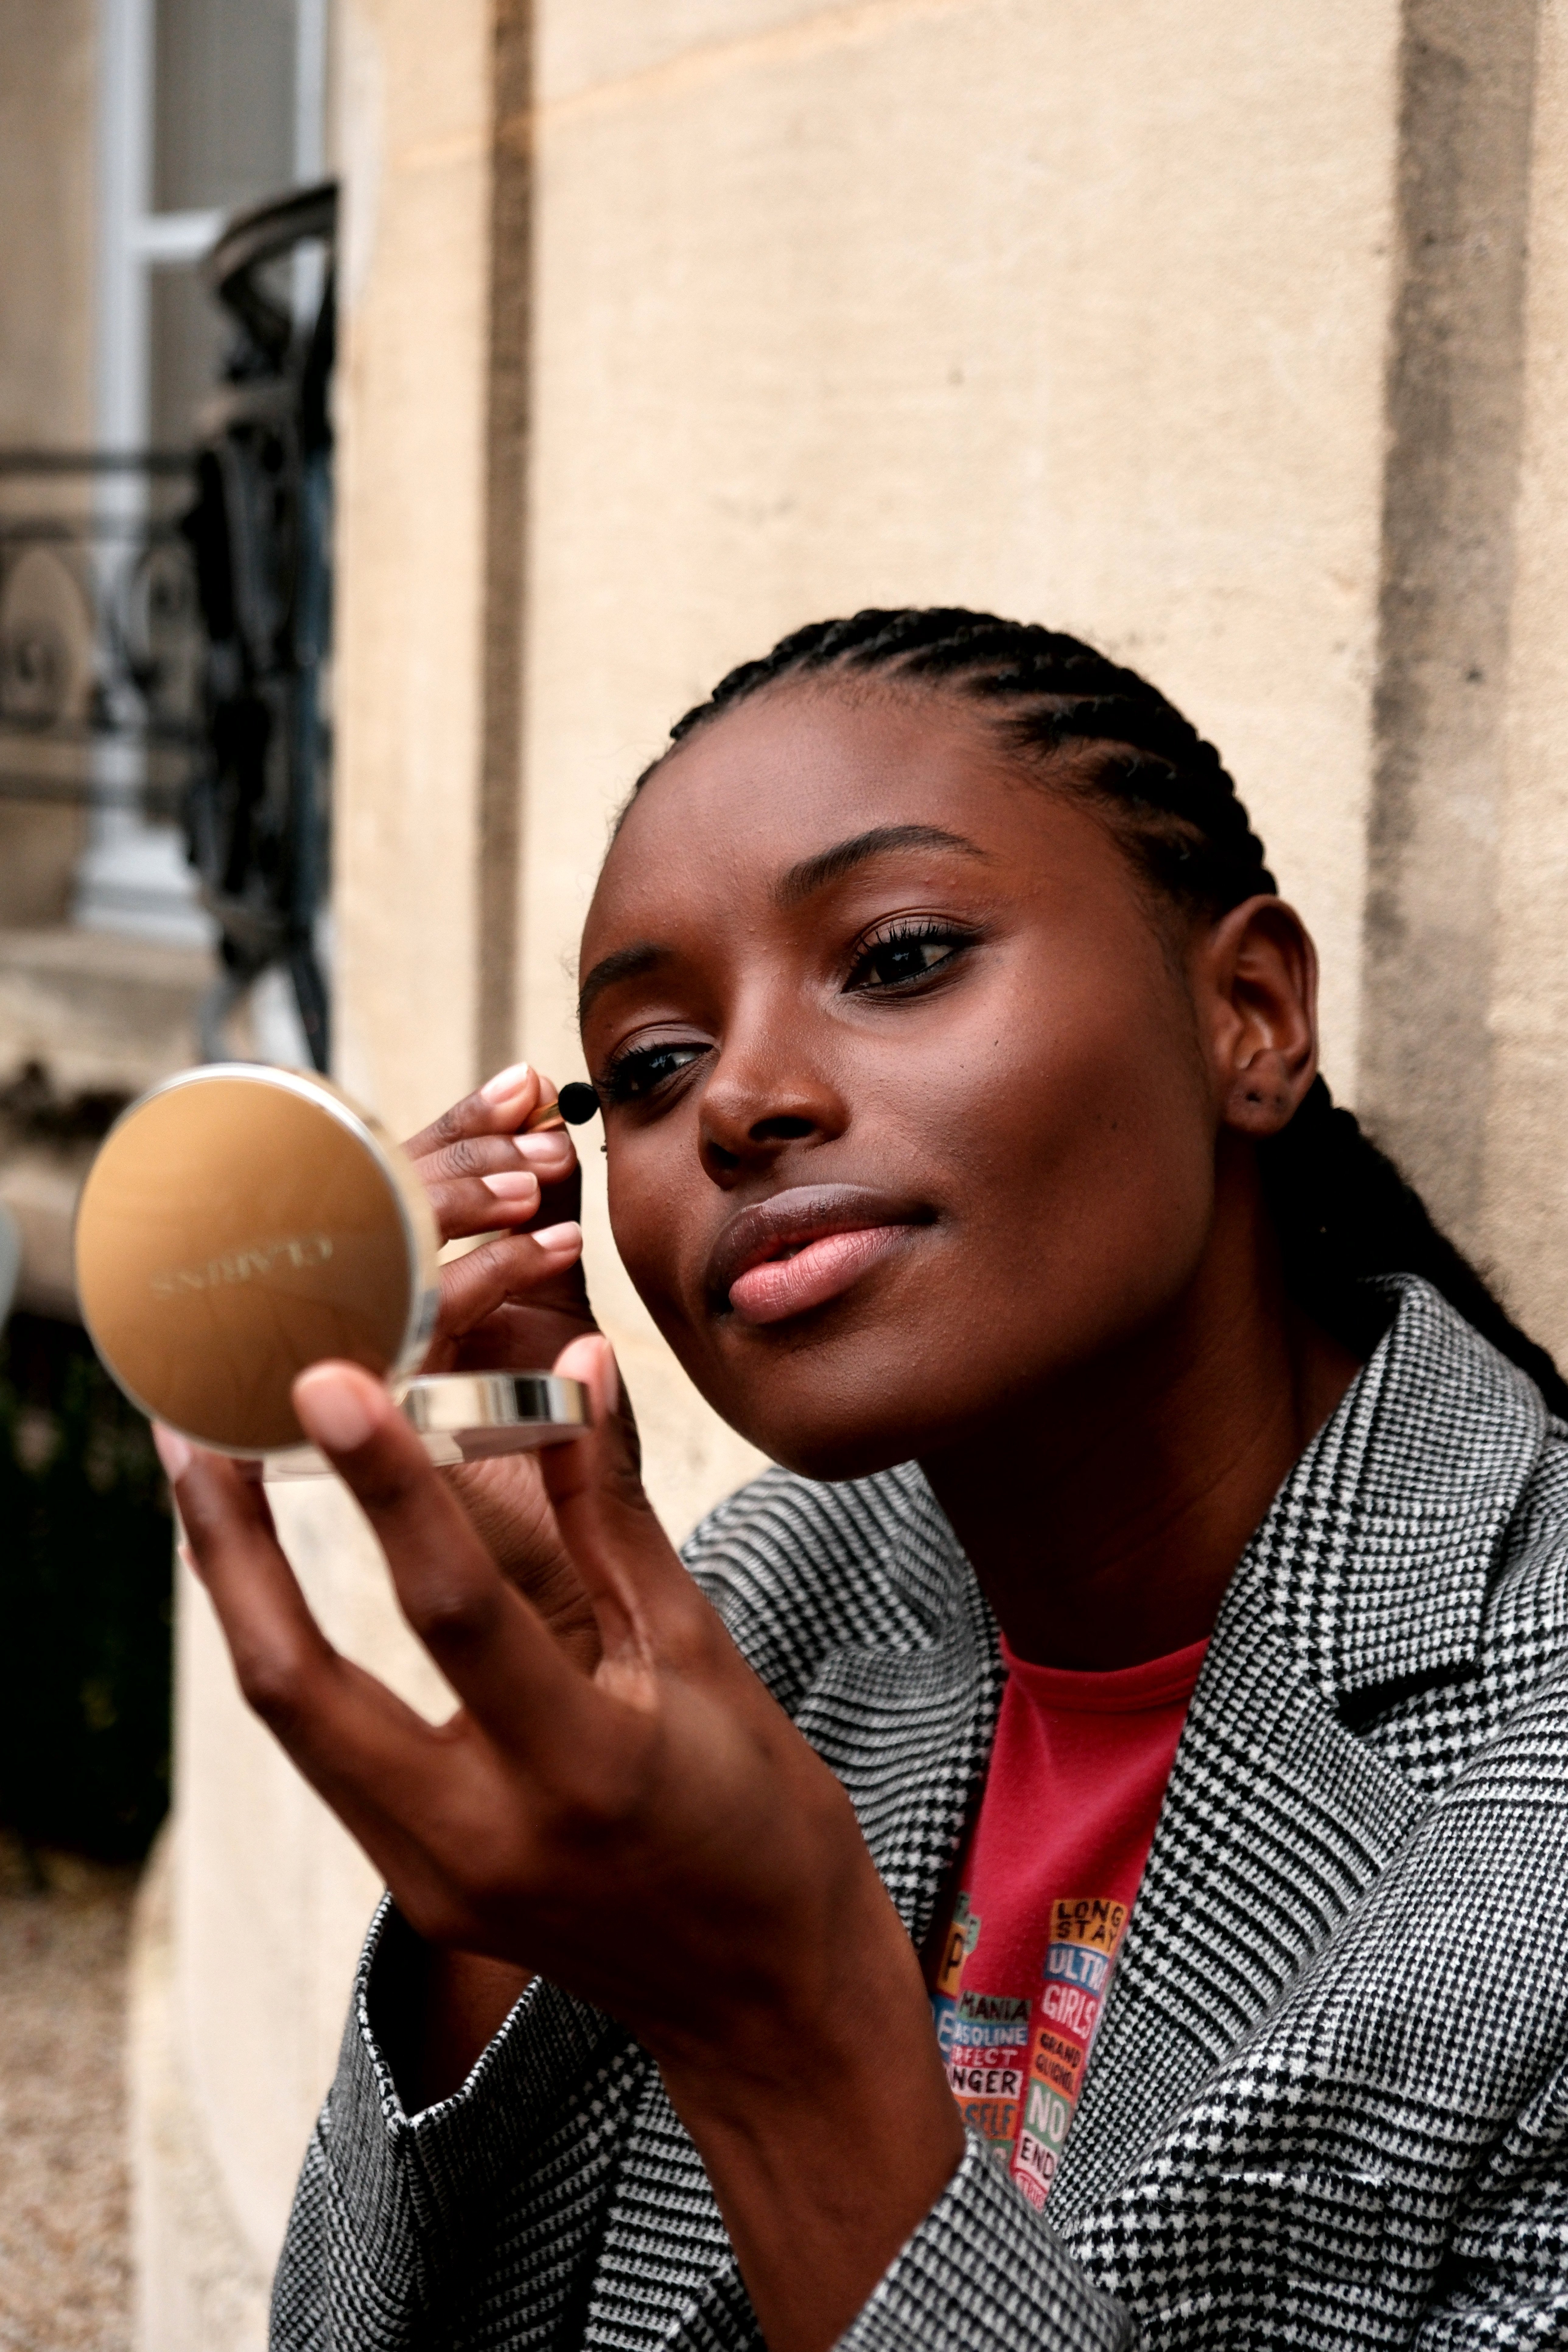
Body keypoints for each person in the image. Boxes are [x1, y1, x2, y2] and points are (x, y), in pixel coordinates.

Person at [159, 610, 1568, 2352]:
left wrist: (788, 2043)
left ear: (1251, 1015)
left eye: (898, 957)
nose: (739, 1101)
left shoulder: (1524, 1774)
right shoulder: (770, 1599)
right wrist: (567, 1688)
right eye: (654, 1065)